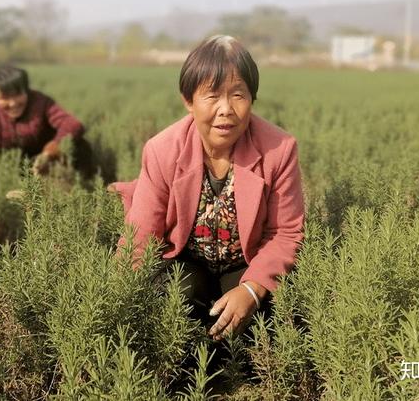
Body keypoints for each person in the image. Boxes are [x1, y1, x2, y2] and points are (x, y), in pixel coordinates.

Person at [110, 35, 305, 341]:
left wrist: (252, 290)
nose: (226, 109)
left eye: (238, 95)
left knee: (265, 318)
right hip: (188, 261)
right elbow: (142, 231)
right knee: (173, 301)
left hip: (247, 261)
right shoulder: (163, 150)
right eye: (212, 96)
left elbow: (286, 232)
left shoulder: (278, 149)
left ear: (252, 98)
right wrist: (116, 297)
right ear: (189, 101)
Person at [0, 64, 94, 179]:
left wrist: (51, 150)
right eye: (5, 98)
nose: (13, 103)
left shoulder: (41, 102)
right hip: (9, 167)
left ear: (26, 90)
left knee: (79, 145)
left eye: (17, 94)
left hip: (45, 163)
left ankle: (81, 185)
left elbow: (72, 124)